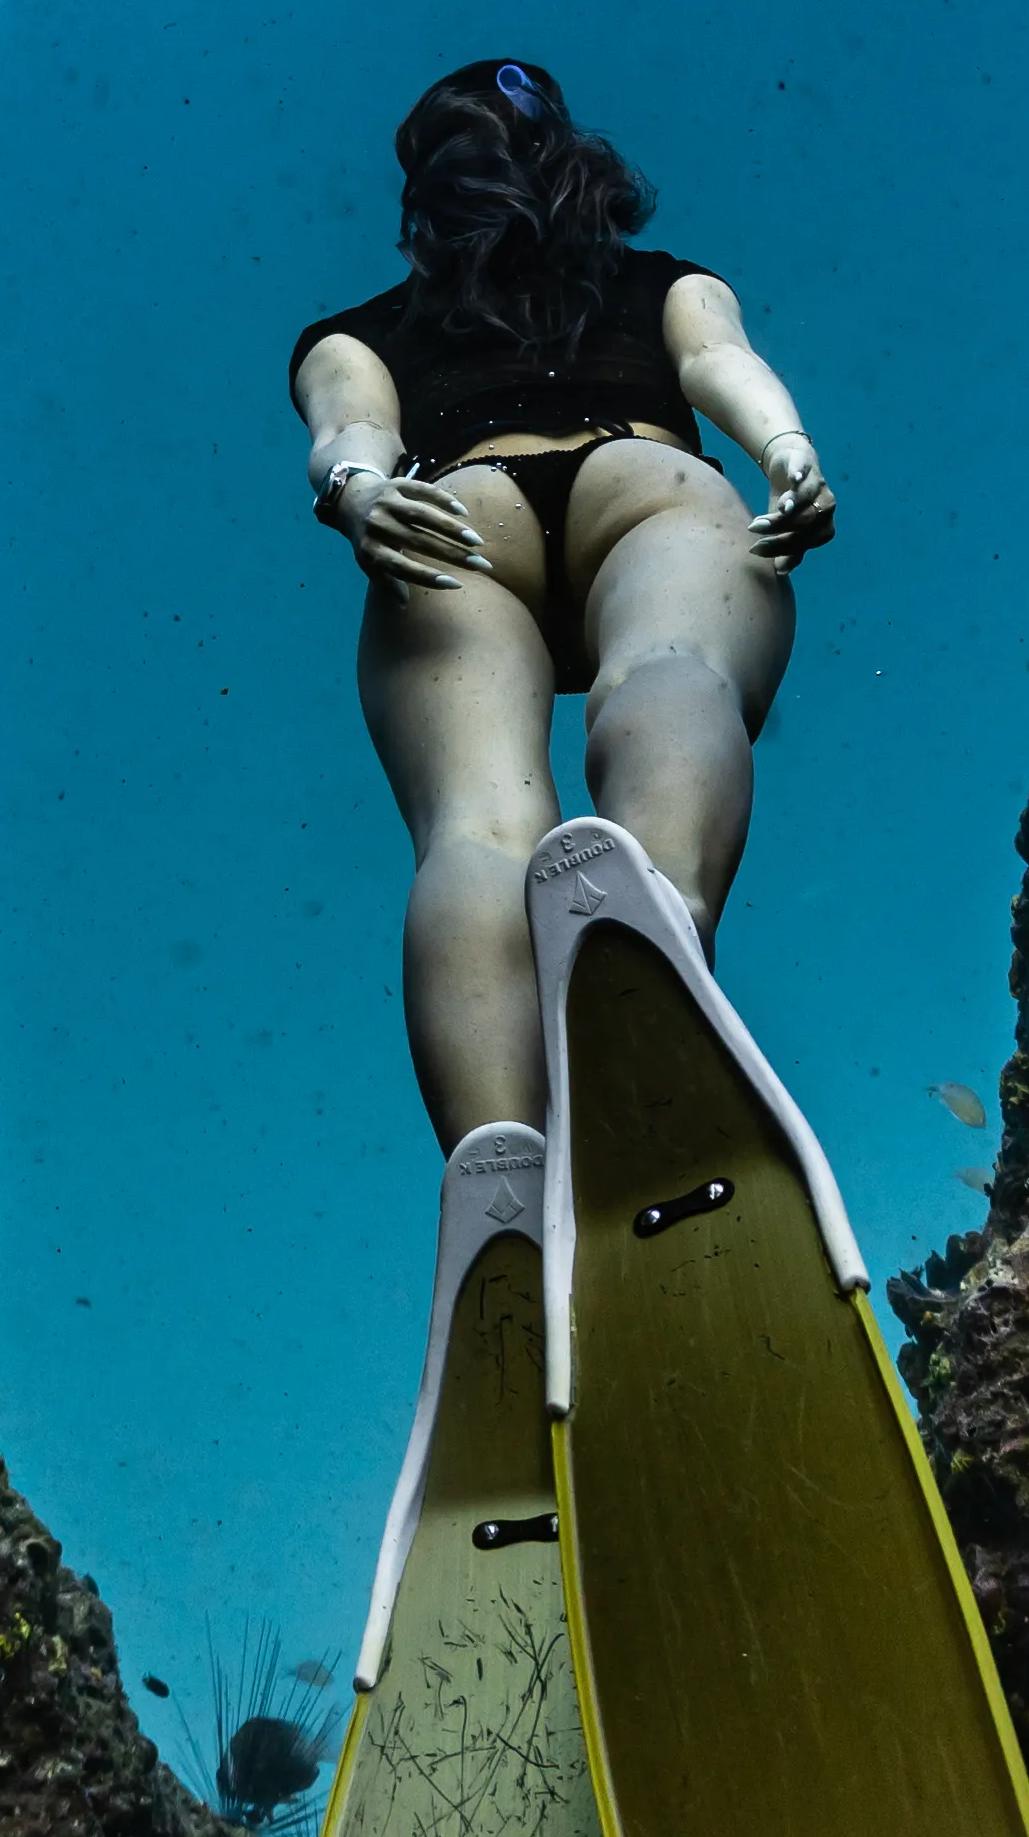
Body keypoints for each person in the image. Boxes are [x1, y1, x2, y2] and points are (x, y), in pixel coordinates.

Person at [288, 60, 839, 1136]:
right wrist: (786, 448)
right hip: (644, 483)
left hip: (456, 514)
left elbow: (347, 429)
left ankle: (498, 1164)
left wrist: (356, 494)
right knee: (668, 676)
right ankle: (654, 956)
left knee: (475, 826)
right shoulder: (660, 281)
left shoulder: (361, 331)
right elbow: (719, 358)